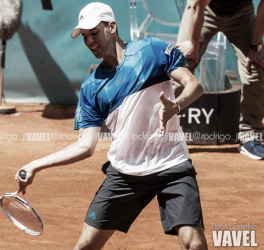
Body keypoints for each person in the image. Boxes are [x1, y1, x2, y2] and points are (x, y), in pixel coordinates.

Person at [16, 2, 208, 249]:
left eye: (94, 33)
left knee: (194, 243)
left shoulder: (151, 51)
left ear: (112, 26)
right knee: (84, 247)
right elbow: (85, 146)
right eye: (84, 37)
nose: (90, 42)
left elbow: (194, 86)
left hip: (172, 165)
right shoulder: (91, 88)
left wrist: (176, 106)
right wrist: (35, 165)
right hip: (125, 174)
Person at [176, 0, 264, 160]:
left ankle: (251, 135)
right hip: (204, 9)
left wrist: (255, 47)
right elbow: (197, 6)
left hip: (242, 13)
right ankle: (166, 133)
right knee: (181, 65)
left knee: (255, 70)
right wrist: (193, 45)